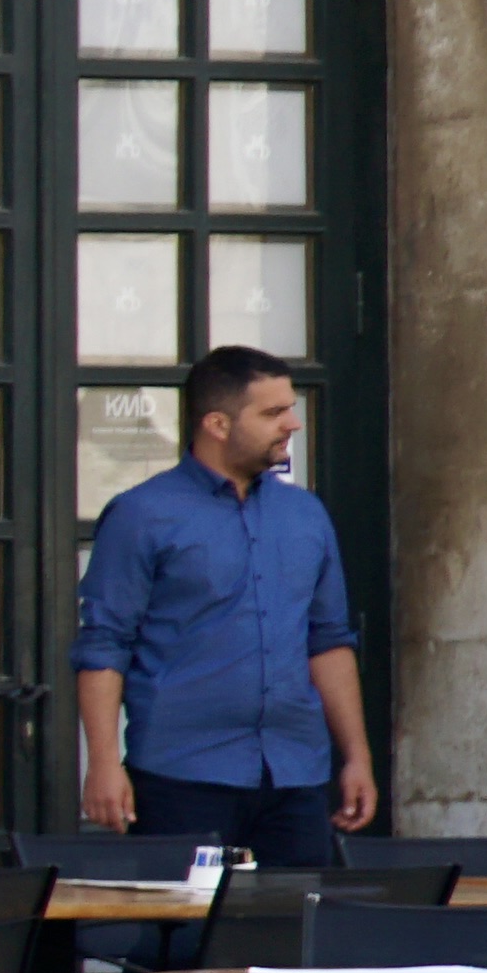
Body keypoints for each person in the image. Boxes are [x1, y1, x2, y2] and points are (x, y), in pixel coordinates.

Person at [76, 344, 372, 866]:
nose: (293, 424)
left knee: (294, 936)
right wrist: (103, 762)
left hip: (295, 773)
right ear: (217, 423)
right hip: (181, 775)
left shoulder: (306, 515)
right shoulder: (141, 514)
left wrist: (357, 756)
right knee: (190, 942)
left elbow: (328, 642)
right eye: (274, 412)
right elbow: (104, 644)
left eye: (291, 408)